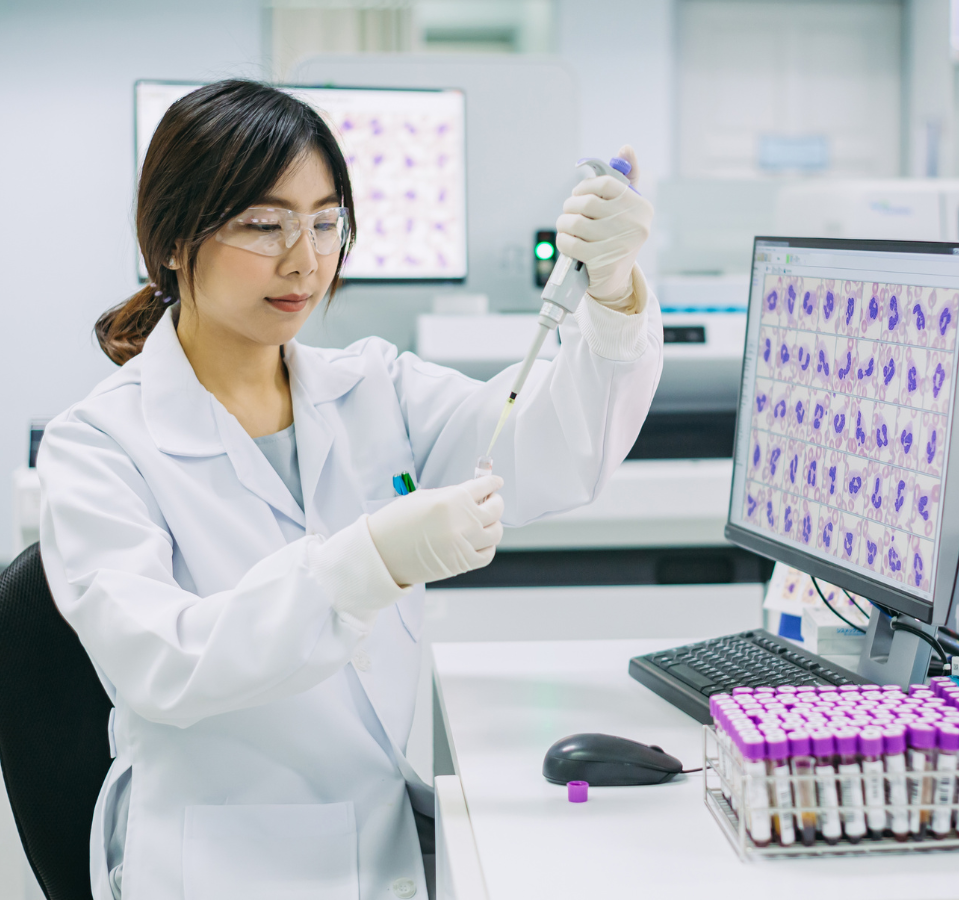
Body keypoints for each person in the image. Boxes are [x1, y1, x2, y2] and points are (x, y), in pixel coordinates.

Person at [36, 80, 661, 900]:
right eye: (265, 224)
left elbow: (548, 446)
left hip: (381, 838)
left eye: (325, 222)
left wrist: (613, 295)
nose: (304, 259)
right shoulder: (99, 446)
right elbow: (163, 660)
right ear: (174, 239)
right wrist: (366, 563)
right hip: (223, 862)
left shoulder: (373, 387)